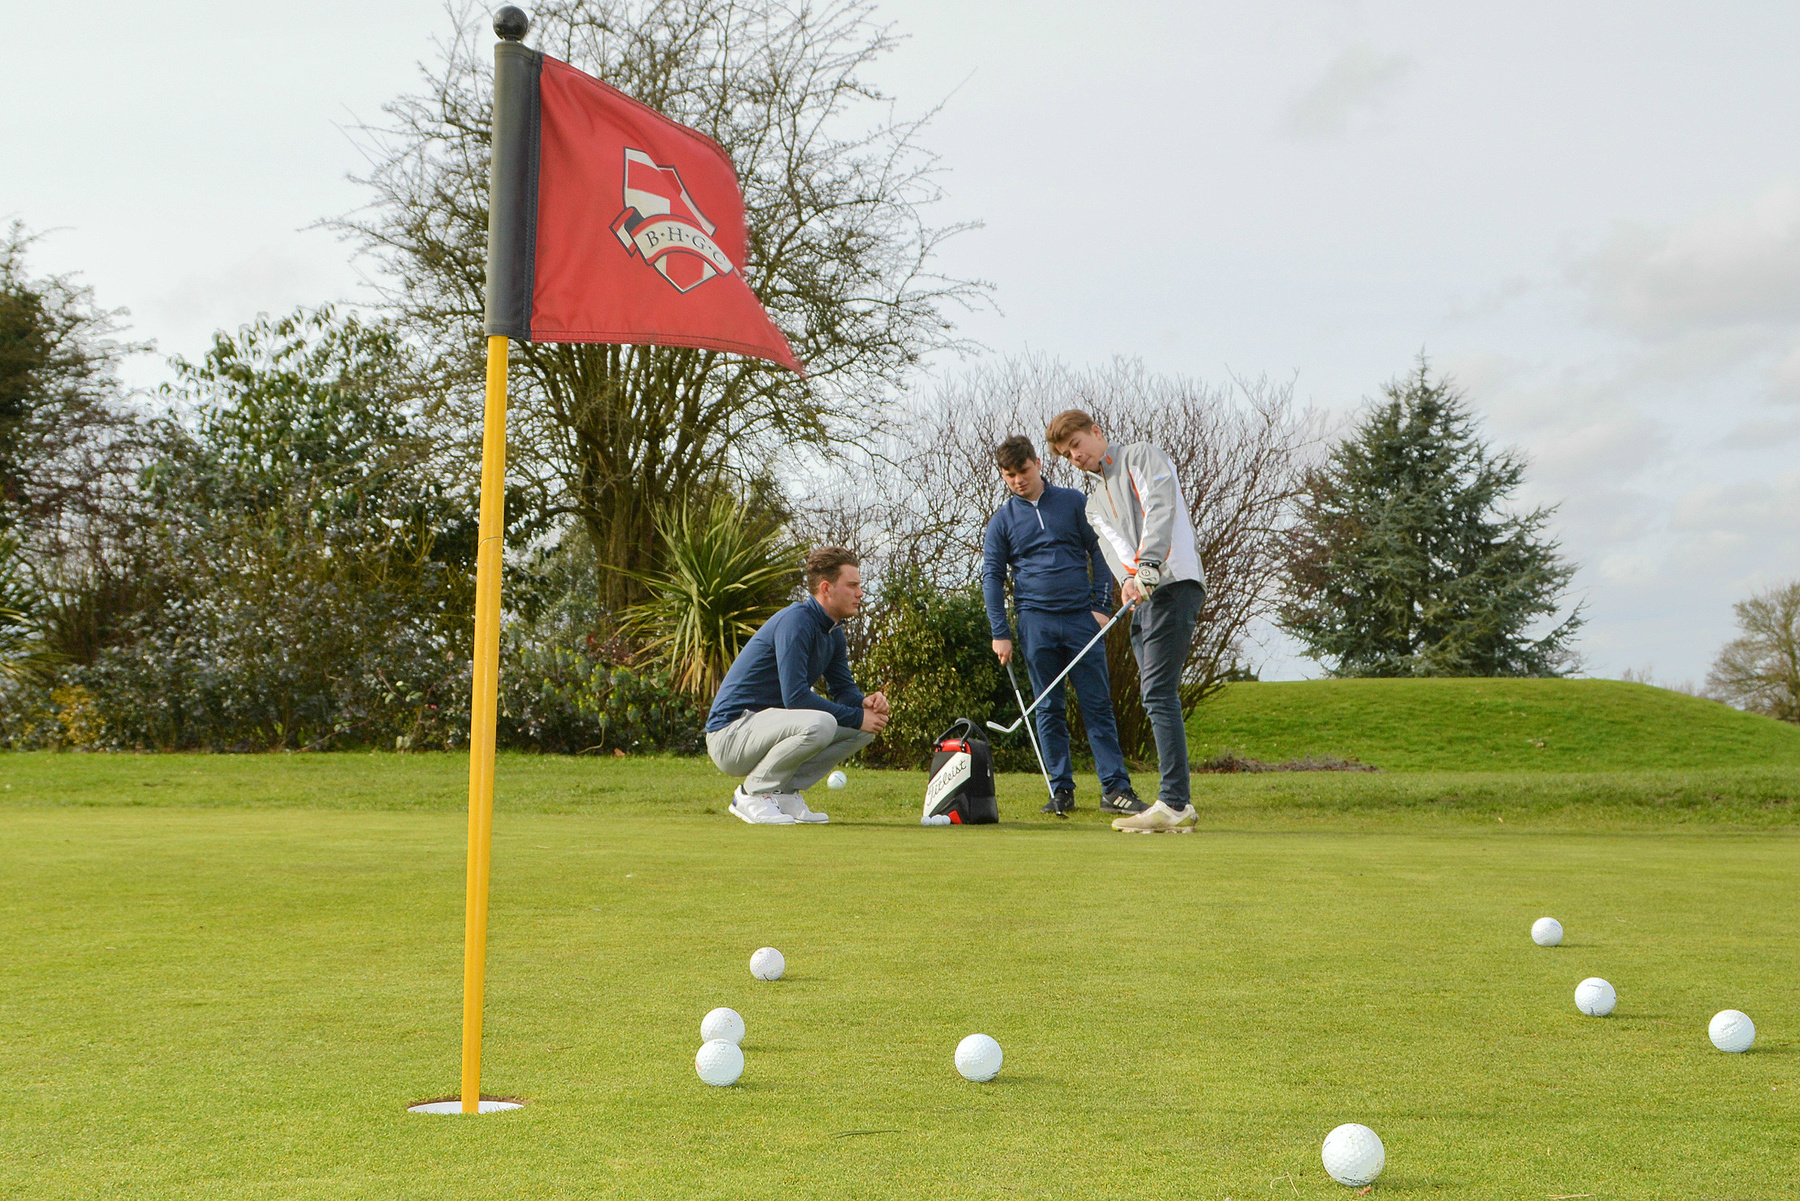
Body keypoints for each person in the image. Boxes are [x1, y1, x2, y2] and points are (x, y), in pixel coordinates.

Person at [1046, 410, 1206, 833]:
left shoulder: (1141, 456)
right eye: (1066, 454)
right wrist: (1128, 582)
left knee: (1156, 691)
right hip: (1147, 596)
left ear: (1097, 432)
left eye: (1077, 445)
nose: (1074, 456)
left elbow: (1160, 507)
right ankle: (1178, 804)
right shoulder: (1093, 503)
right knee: (1155, 692)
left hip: (1176, 581)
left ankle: (1173, 803)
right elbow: (1115, 548)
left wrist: (1150, 565)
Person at [981, 435, 1141, 817]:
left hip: (1081, 620)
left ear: (1038, 463)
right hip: (1034, 623)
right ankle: (1060, 790)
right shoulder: (1002, 520)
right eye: (1009, 475)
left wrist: (1101, 605)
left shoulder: (1072, 502)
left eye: (1023, 471)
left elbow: (1102, 550)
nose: (1018, 480)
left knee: (1097, 704)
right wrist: (1000, 633)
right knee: (1047, 708)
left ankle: (1115, 789)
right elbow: (992, 576)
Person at [704, 546, 890, 825]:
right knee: (822, 723)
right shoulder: (797, 622)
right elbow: (796, 698)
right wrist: (856, 715)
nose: (860, 592)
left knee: (864, 730)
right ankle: (751, 794)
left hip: (763, 731)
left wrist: (864, 705)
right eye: (852, 585)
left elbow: (843, 690)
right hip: (730, 735)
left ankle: (784, 793)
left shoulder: (832, 632)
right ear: (826, 588)